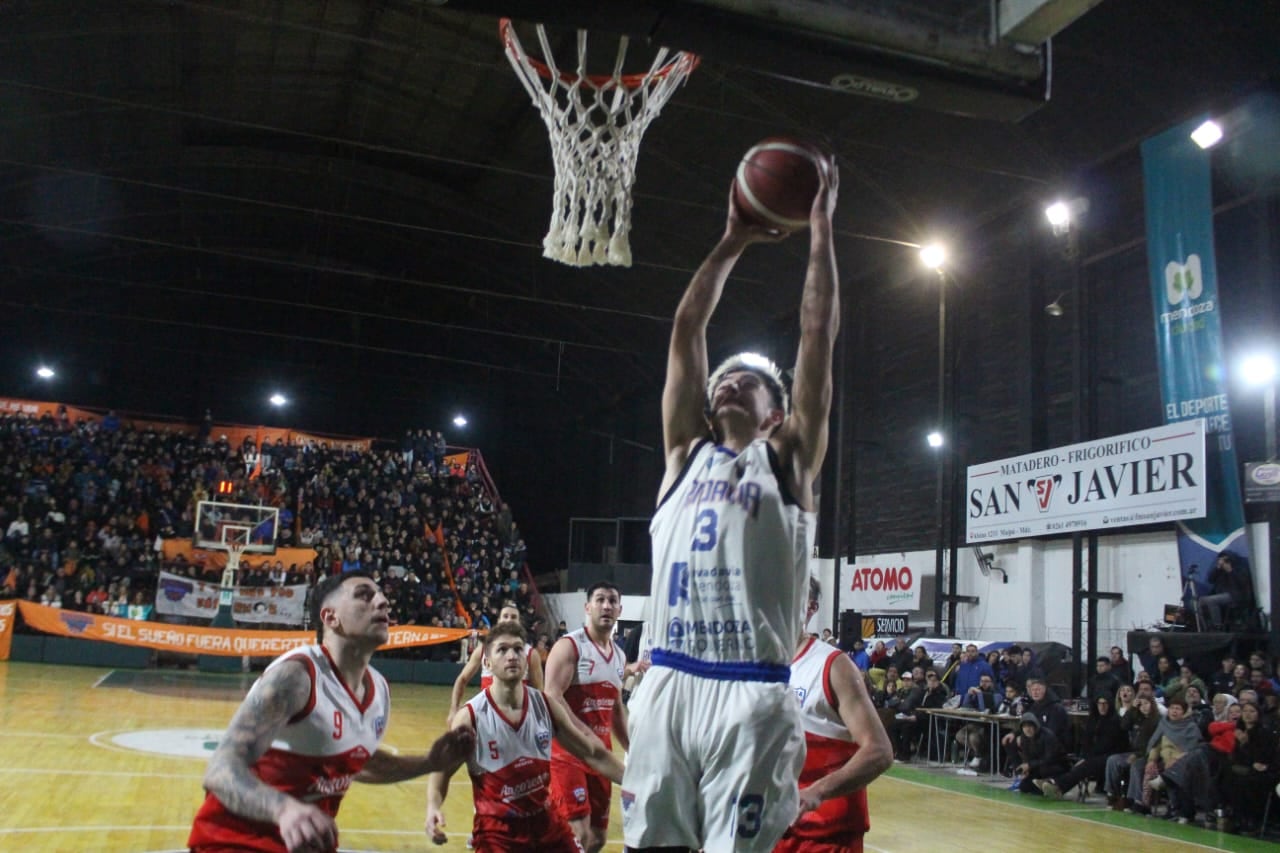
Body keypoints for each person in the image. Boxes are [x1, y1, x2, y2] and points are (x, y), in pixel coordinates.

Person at [623, 152, 840, 853]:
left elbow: (816, 334)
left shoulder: (789, 462)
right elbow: (687, 329)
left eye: (746, 381)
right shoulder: (685, 454)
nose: (727, 383)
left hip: (751, 691)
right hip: (667, 679)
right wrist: (734, 237)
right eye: (723, 378)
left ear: (777, 412)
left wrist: (820, 230)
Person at [189, 571, 474, 853]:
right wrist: (284, 809)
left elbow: (355, 763)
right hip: (234, 842)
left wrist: (430, 763)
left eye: (382, 596)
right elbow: (220, 770)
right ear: (330, 617)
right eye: (365, 595)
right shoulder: (297, 676)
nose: (383, 601)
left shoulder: (378, 691)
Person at [426, 621, 625, 852]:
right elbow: (441, 771)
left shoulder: (545, 706)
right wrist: (433, 807)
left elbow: (592, 753)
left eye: (518, 649)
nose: (512, 656)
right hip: (497, 833)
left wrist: (636, 782)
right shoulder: (470, 717)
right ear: (487, 662)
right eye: (502, 650)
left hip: (545, 823)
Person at [776, 578, 892, 853]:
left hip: (824, 836)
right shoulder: (753, 664)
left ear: (811, 608)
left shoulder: (833, 665)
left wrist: (818, 791)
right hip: (769, 831)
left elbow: (879, 751)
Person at [544, 581, 629, 853]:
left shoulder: (618, 656)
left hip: (601, 756)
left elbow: (616, 710)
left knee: (597, 838)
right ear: (587, 607)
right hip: (567, 753)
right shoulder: (569, 647)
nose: (607, 605)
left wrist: (632, 748)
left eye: (612, 601)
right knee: (577, 832)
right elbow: (552, 696)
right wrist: (584, 733)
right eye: (600, 599)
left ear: (619, 609)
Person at [448, 602, 544, 721]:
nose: (509, 620)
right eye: (505, 616)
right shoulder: (483, 650)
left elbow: (538, 692)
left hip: (518, 717)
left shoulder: (531, 654)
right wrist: (453, 709)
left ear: (519, 623)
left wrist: (538, 719)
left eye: (514, 617)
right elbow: (462, 679)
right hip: (487, 717)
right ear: (498, 621)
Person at [1198, 551, 1255, 630]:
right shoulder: (1220, 570)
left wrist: (1230, 571)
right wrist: (1217, 568)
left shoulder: (1239, 568)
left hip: (1236, 595)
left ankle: (1217, 626)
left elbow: (1243, 582)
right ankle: (1206, 626)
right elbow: (1210, 580)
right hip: (1222, 594)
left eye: (1225, 560)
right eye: (1221, 560)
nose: (1223, 562)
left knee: (1210, 600)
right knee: (1200, 600)